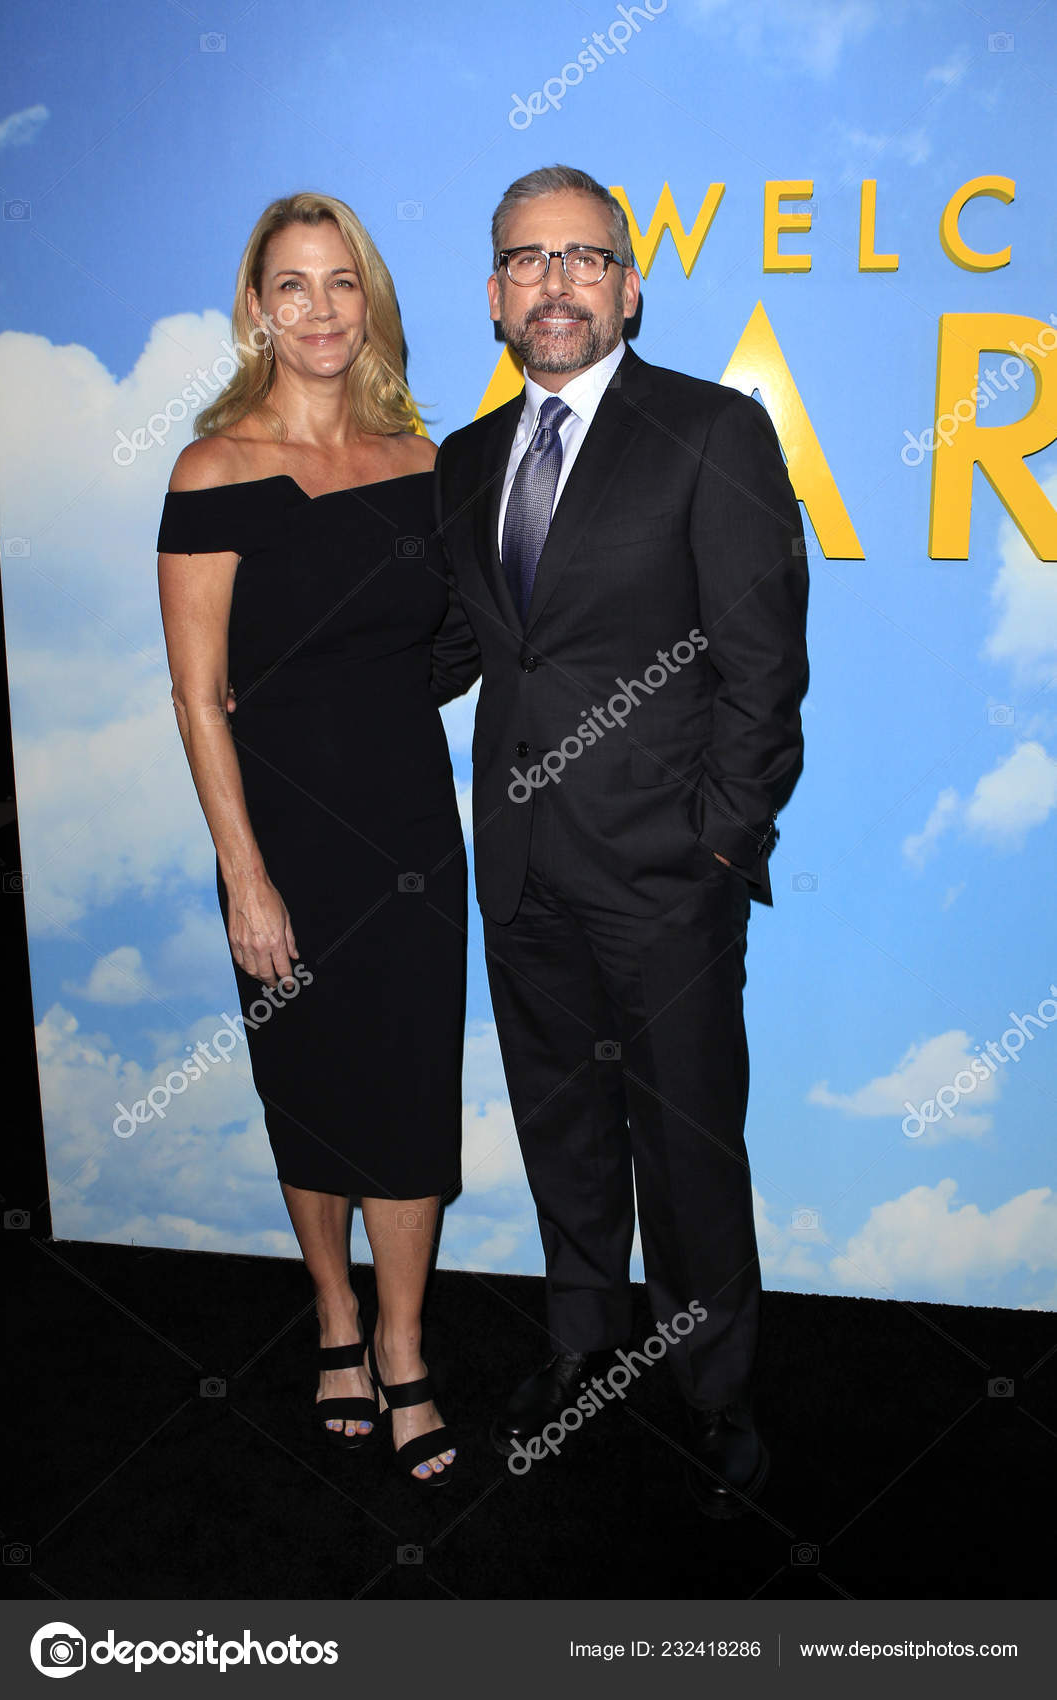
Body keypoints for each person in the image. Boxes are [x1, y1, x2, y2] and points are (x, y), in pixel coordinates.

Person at [430, 164, 809, 1517]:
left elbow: (765, 671)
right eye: (528, 260)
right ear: (494, 294)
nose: (556, 283)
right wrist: (299, 676)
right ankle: (582, 1351)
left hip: (667, 881)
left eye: (584, 258)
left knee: (689, 1152)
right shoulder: (465, 461)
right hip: (522, 868)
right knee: (564, 1132)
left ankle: (717, 1392)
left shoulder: (713, 431)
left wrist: (718, 849)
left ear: (630, 287)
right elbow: (467, 649)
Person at [157, 192, 467, 1484]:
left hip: (411, 828)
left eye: (343, 282)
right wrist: (246, 876)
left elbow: (454, 642)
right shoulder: (212, 471)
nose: (322, 309)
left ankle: (402, 1342)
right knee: (310, 1085)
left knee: (410, 1090)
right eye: (293, 285)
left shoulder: (424, 464)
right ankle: (335, 1317)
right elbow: (196, 695)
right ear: (256, 309)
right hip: (282, 839)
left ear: (370, 301)